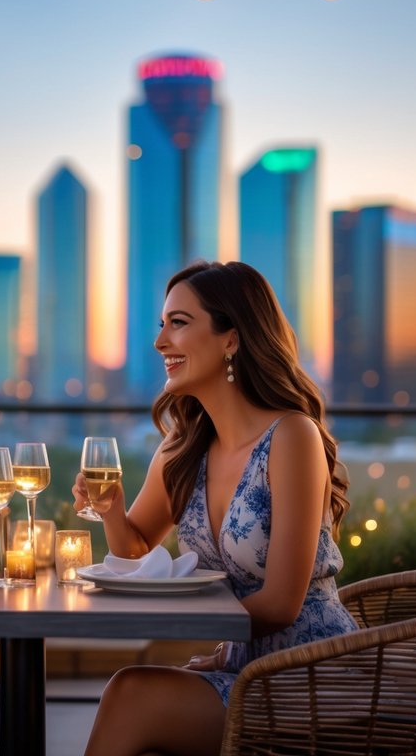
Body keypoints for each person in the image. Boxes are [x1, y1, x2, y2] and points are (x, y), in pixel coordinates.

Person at [74, 261, 358, 756]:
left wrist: (201, 632)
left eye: (178, 323)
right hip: (239, 667)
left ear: (232, 338)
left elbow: (282, 603)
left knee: (132, 693)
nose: (160, 341)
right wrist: (111, 512)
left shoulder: (291, 437)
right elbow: (137, 546)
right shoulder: (183, 447)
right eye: (161, 325)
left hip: (310, 674)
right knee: (131, 690)